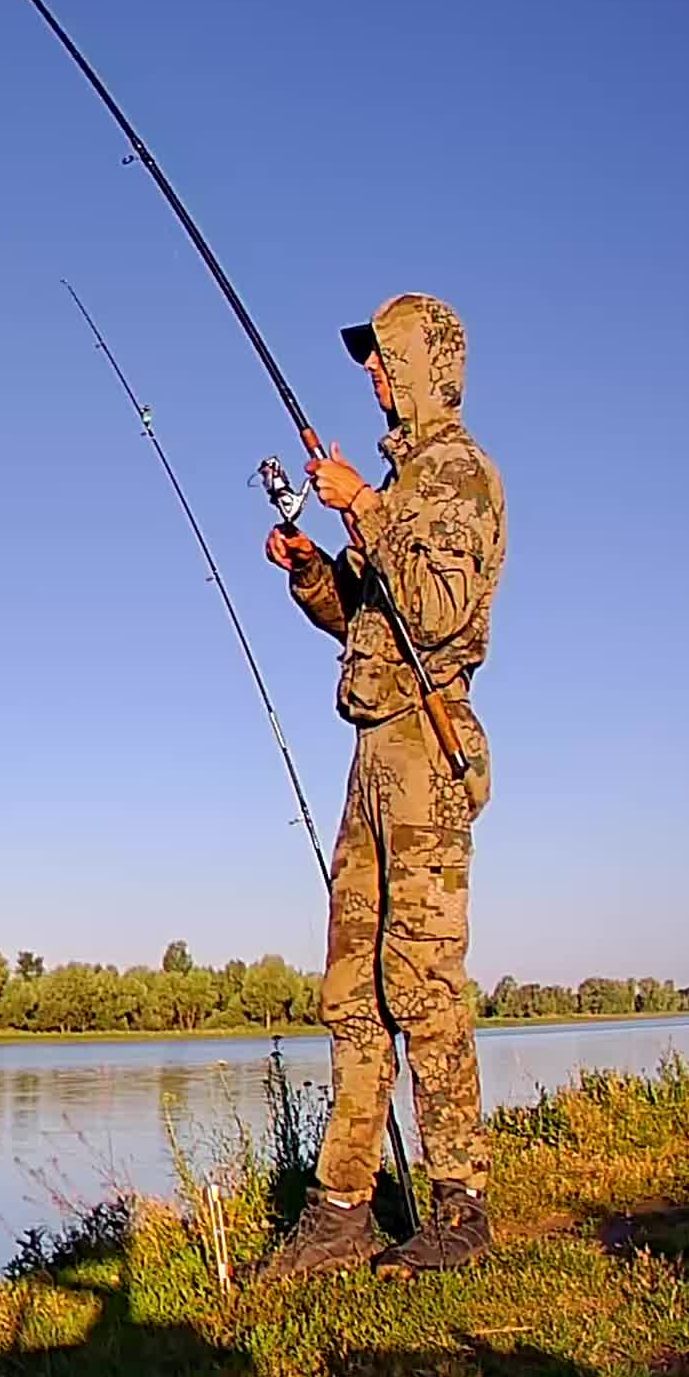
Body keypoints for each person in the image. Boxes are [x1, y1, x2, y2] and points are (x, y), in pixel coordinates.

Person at [252, 293, 506, 1282]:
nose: (369, 371)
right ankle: (342, 1210)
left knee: (422, 980)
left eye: (382, 354)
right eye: (366, 357)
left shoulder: (457, 479)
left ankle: (460, 1208)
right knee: (353, 992)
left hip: (426, 752)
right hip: (370, 752)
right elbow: (370, 616)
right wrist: (315, 568)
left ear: (427, 360)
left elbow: (438, 609)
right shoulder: (403, 486)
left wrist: (363, 504)